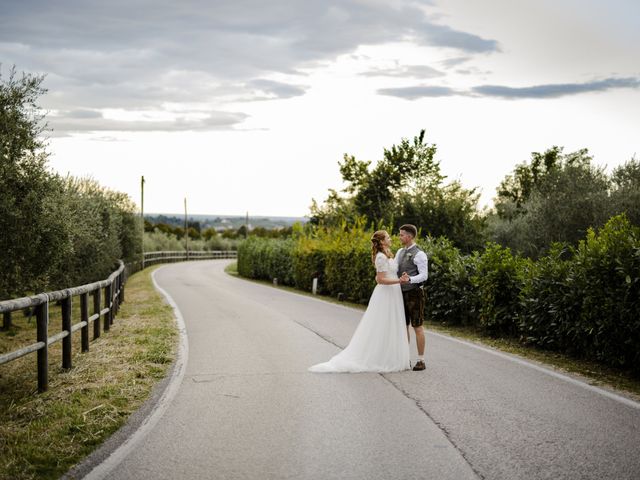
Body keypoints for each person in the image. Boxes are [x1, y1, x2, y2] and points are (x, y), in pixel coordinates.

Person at [308, 230, 411, 373]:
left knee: (391, 323)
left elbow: (384, 275)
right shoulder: (381, 257)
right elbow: (380, 280)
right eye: (388, 237)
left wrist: (400, 278)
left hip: (394, 293)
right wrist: (398, 281)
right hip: (386, 293)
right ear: (381, 241)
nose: (391, 239)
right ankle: (379, 358)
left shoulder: (388, 253)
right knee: (382, 324)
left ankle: (390, 356)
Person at [396, 224, 428, 371]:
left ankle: (421, 360)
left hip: (415, 293)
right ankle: (405, 358)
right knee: (403, 327)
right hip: (400, 293)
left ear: (409, 236)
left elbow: (424, 275)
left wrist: (410, 279)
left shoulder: (420, 254)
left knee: (417, 326)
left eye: (401, 235)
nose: (399, 237)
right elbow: (395, 269)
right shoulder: (399, 252)